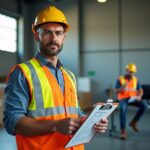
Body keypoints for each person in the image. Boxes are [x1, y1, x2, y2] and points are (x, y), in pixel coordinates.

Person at [3, 6, 108, 150]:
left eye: (58, 33)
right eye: (47, 32)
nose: (53, 39)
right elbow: (11, 122)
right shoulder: (22, 72)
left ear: (64, 37)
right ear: (36, 35)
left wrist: (88, 120)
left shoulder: (69, 75)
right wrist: (55, 125)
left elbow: (74, 112)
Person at [114, 63, 146, 139]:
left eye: (133, 72)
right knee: (123, 110)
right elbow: (115, 91)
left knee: (144, 106)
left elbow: (140, 90)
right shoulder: (120, 79)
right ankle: (123, 130)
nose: (132, 73)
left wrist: (139, 96)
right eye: (130, 71)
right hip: (123, 99)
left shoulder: (136, 79)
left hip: (133, 98)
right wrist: (121, 88)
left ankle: (134, 122)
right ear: (127, 70)